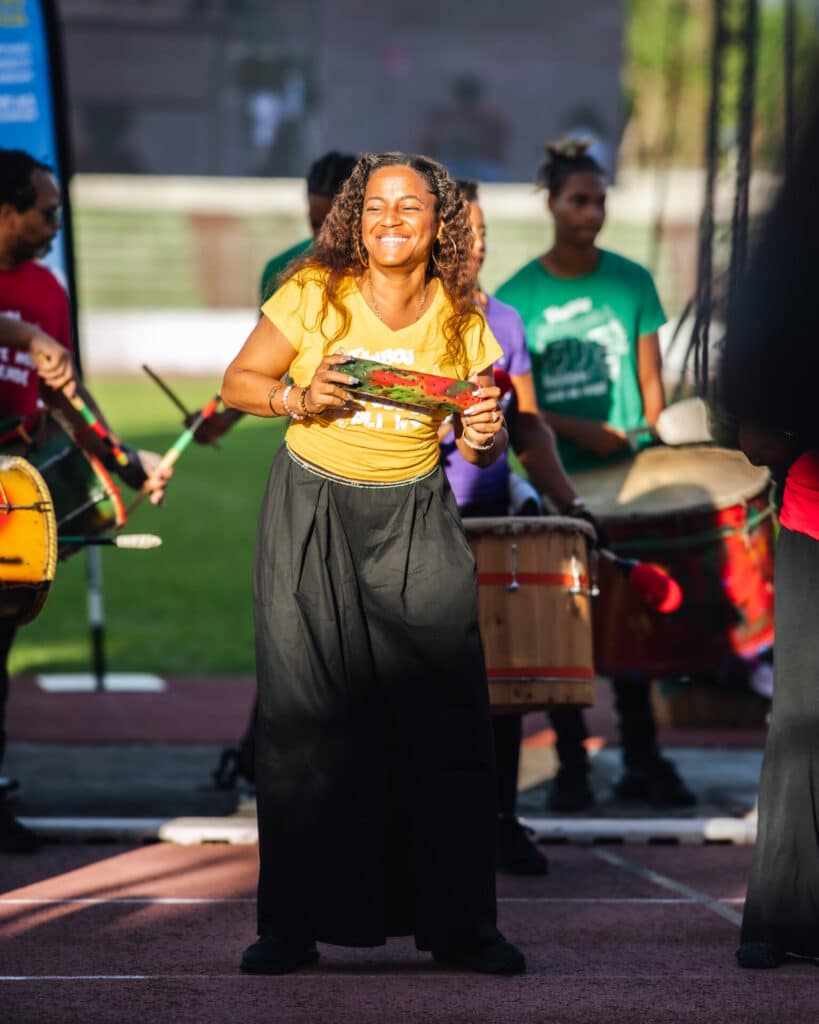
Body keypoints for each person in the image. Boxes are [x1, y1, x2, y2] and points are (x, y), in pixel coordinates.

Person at [222, 152, 525, 975]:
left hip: (416, 517)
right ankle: (290, 926)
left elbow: (475, 436)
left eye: (410, 206)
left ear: (441, 222)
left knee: (447, 711)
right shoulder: (314, 291)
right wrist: (294, 397)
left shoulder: (467, 320)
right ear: (355, 218)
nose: (390, 219)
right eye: (375, 205)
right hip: (311, 508)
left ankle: (462, 926)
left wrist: (484, 432)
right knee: (303, 720)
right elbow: (239, 381)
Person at [496, 139, 695, 811]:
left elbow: (650, 385)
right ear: (550, 203)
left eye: (600, 201)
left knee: (630, 620)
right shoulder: (517, 294)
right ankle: (572, 767)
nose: (591, 213)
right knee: (563, 625)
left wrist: (656, 433)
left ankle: (642, 757)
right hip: (558, 483)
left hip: (628, 480)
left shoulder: (631, 281)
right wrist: (579, 431)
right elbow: (516, 405)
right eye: (578, 200)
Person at [0, 148, 169, 854]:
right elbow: (29, 344)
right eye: (47, 211)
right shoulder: (28, 312)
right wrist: (22, 334)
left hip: (10, 494)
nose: (54, 224)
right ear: (5, 212)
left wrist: (129, 463)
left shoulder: (48, 288)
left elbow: (70, 398)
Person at [440, 180, 595, 873]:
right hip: (420, 524)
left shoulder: (503, 321)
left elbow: (526, 425)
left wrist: (566, 502)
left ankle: (500, 820)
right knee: (427, 687)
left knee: (500, 685)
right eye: (460, 233)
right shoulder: (404, 323)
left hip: (492, 519)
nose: (473, 246)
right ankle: (421, 826)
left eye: (480, 233)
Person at [718, 104, 819, 969]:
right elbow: (753, 434)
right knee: (803, 720)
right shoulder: (792, 275)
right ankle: (785, 918)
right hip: (814, 521)